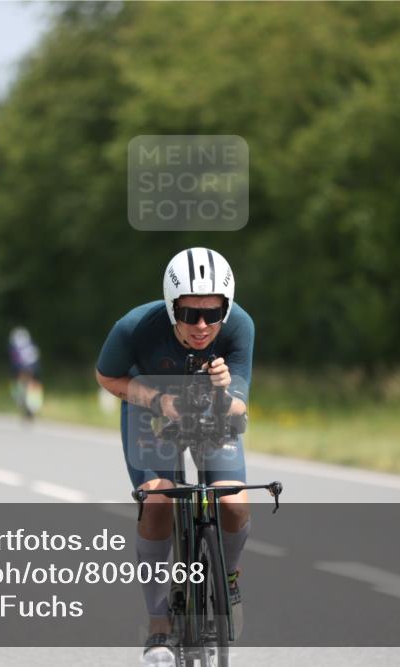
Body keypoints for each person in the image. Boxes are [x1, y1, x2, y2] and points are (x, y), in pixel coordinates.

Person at [95, 248, 253, 665]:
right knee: (159, 498)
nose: (202, 326)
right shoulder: (134, 327)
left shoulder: (239, 328)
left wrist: (223, 390)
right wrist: (157, 398)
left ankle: (229, 579)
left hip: (211, 411)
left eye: (212, 313)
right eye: (188, 315)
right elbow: (106, 375)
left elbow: (240, 408)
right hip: (150, 412)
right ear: (171, 308)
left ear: (227, 307)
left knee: (234, 500)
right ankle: (158, 625)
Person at [8, 327, 43, 418]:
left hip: (23, 368)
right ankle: (31, 403)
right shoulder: (31, 344)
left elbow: (15, 362)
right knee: (33, 383)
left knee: (21, 381)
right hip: (34, 368)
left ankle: (22, 399)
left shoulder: (15, 347)